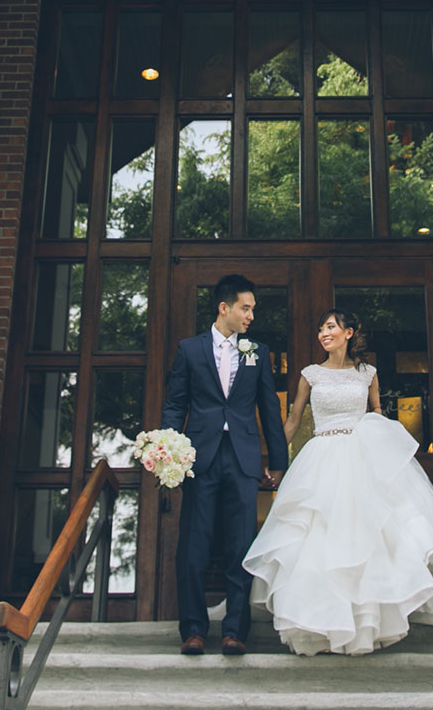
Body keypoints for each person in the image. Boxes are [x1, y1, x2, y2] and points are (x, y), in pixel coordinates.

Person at [244, 309, 433, 656]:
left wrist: (390, 460)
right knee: (318, 536)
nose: (324, 332)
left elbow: (377, 415)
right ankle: (318, 622)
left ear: (348, 332)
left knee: (368, 537)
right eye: (321, 327)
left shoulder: (368, 374)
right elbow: (291, 422)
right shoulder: (310, 374)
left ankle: (366, 622)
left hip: (360, 454)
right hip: (320, 457)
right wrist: (272, 462)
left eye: (331, 327)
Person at [161, 273, 289, 657]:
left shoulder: (258, 352)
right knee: (194, 547)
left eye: (252, 309)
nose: (251, 315)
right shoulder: (189, 350)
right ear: (224, 308)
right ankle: (194, 630)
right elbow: (175, 404)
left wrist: (278, 461)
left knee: (240, 547)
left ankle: (235, 630)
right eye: (245, 308)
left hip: (244, 458)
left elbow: (269, 408)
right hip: (201, 457)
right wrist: (170, 450)